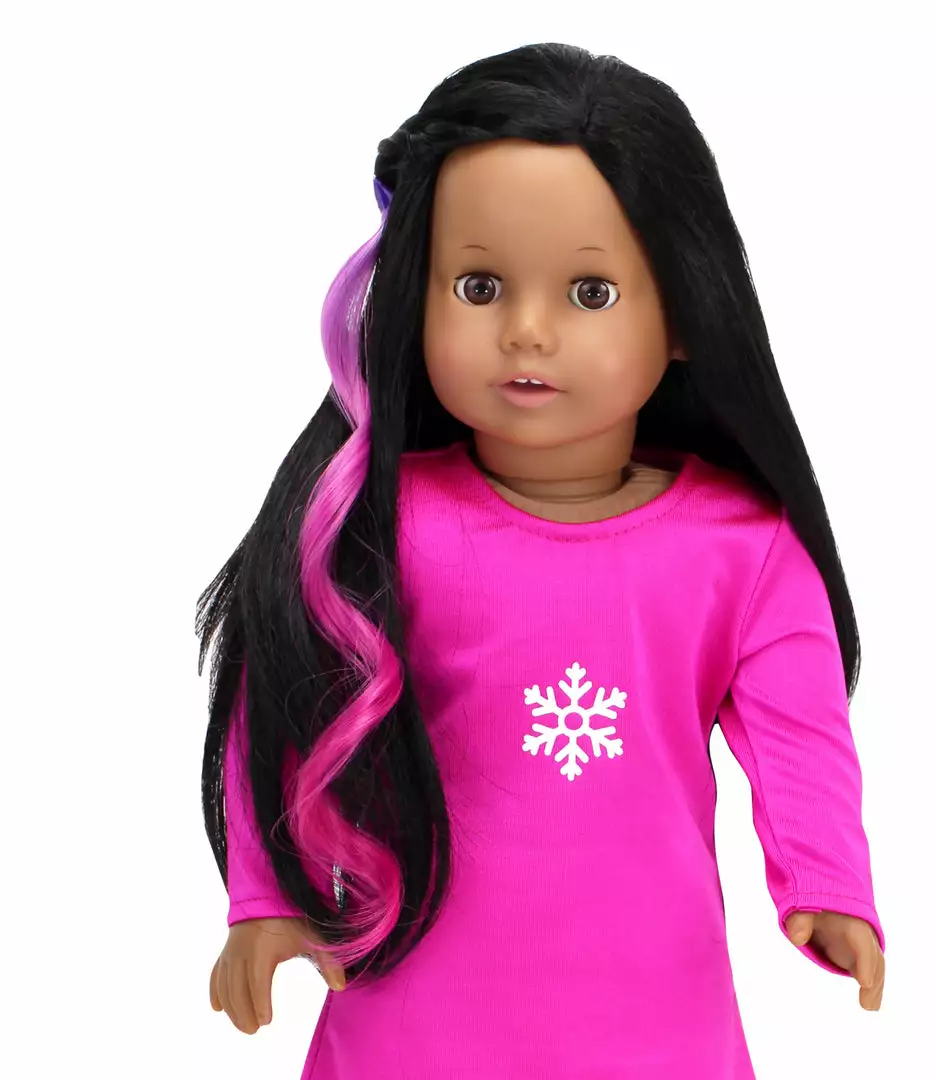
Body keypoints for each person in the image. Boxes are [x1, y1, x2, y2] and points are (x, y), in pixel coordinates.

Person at [199, 41, 885, 1079]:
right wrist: (266, 896)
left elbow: (804, 736)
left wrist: (829, 884)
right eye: (479, 285)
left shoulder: (744, 548)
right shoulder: (379, 523)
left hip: (656, 1025)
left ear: (685, 310)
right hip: (413, 1029)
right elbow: (284, 691)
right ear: (415, 297)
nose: (526, 331)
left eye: (590, 293)